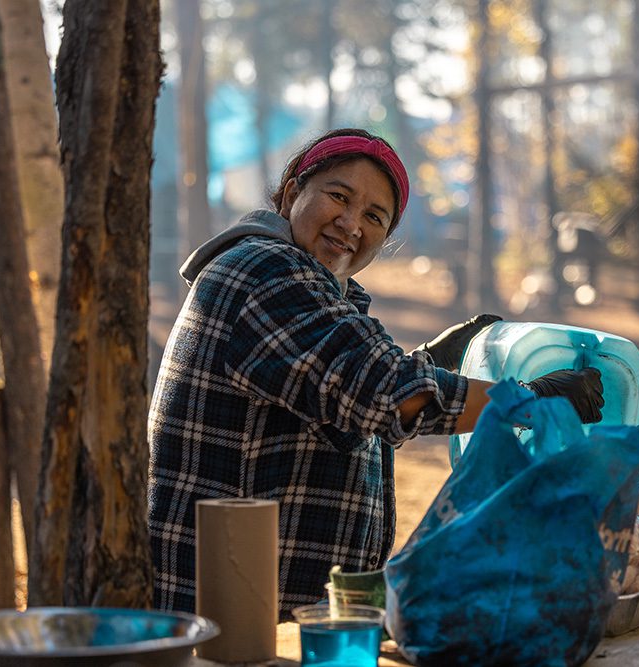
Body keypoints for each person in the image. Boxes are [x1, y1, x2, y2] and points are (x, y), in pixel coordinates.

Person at [147, 128, 605, 618]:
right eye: (338, 196)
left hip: (271, 604)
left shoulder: (319, 291)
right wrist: (532, 400)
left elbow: (336, 389)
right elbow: (386, 394)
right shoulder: (265, 270)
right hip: (232, 614)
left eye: (374, 216)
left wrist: (428, 361)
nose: (350, 223)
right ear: (291, 192)